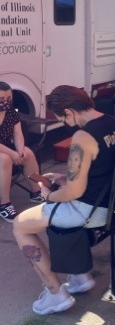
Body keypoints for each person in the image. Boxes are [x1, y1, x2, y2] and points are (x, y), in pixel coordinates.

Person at [12, 86, 115, 315]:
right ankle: (79, 277)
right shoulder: (113, 122)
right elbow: (101, 167)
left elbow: (73, 193)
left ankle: (55, 294)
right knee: (55, 207)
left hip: (92, 209)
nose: (65, 123)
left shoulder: (83, 136)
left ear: (70, 111)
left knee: (20, 224)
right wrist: (64, 177)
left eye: (62, 117)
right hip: (114, 200)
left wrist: (49, 195)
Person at [0, 81, 45, 223]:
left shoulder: (11, 112)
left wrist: (19, 150)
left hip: (6, 148)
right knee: (5, 159)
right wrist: (12, 154)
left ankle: (38, 191)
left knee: (28, 153)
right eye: (2, 100)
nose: (6, 103)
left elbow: (17, 134)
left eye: (9, 99)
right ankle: (4, 204)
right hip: (3, 153)